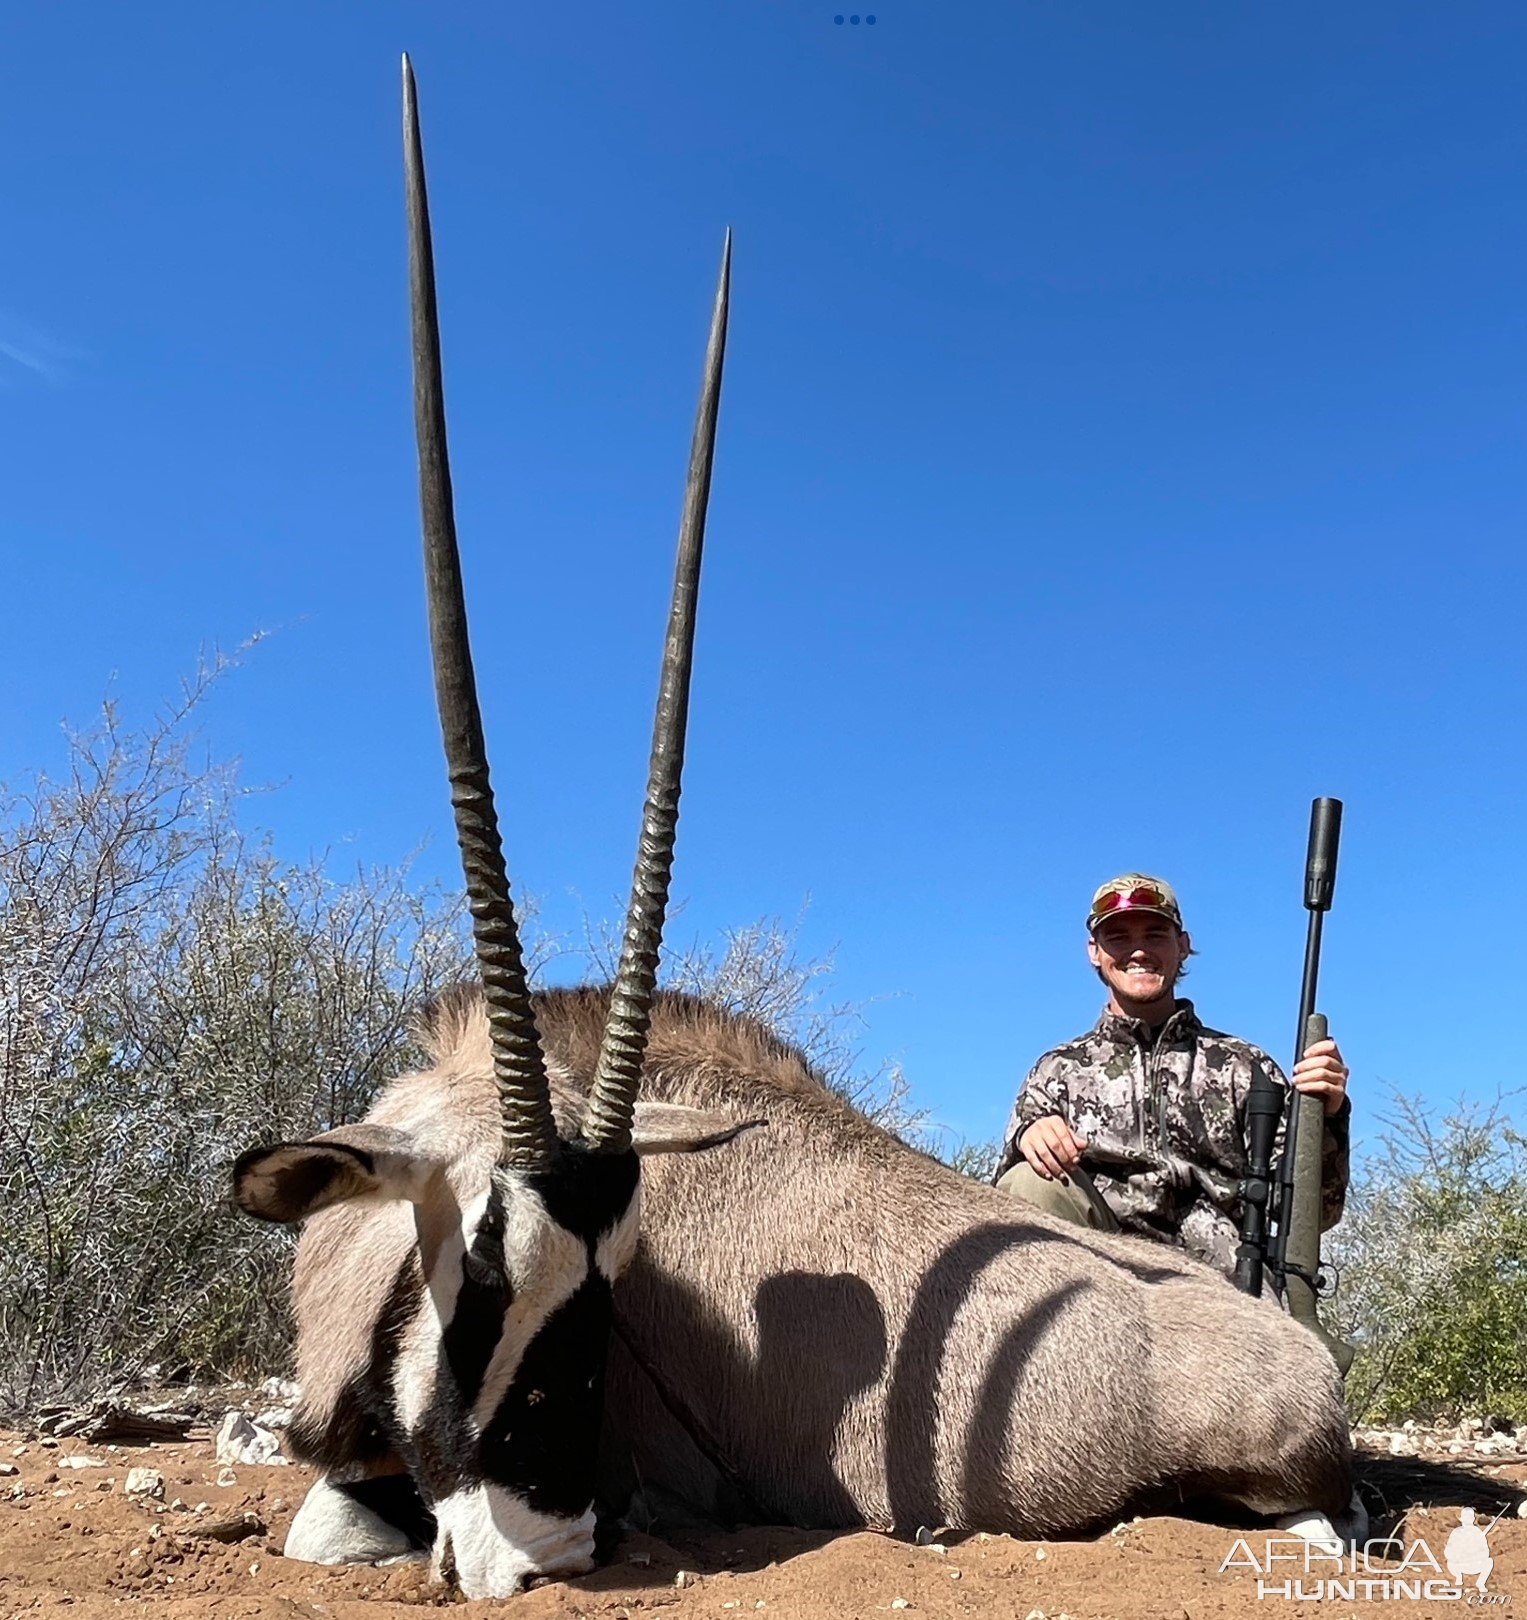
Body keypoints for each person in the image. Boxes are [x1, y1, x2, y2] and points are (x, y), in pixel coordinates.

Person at [992, 873, 1351, 1276]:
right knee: (1030, 1182)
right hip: (1098, 1275)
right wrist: (1030, 1138)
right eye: (1119, 938)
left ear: (1183, 946)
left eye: (1155, 935)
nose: (1139, 951)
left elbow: (1314, 1214)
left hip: (1222, 1280)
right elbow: (1006, 1206)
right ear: (1094, 951)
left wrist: (1330, 1114)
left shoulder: (1246, 1068)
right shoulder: (1055, 1072)